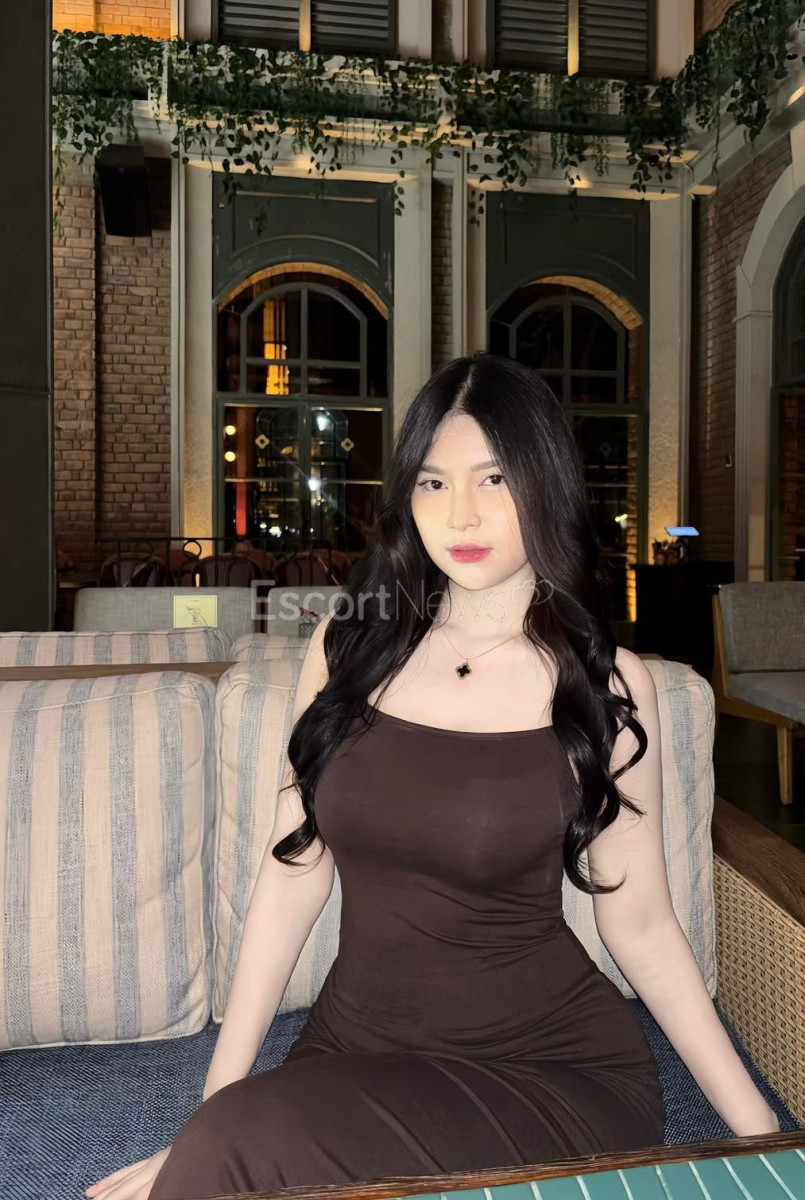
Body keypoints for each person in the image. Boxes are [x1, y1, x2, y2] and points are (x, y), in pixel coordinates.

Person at [86, 352, 780, 1200]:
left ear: (544, 483)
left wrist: (762, 1138)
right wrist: (212, 1109)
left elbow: (641, 929)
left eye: (493, 478)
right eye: (432, 482)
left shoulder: (604, 685)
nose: (461, 514)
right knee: (233, 1144)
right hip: (353, 1049)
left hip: (549, 1071)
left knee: (235, 1151)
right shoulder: (347, 648)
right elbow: (291, 876)